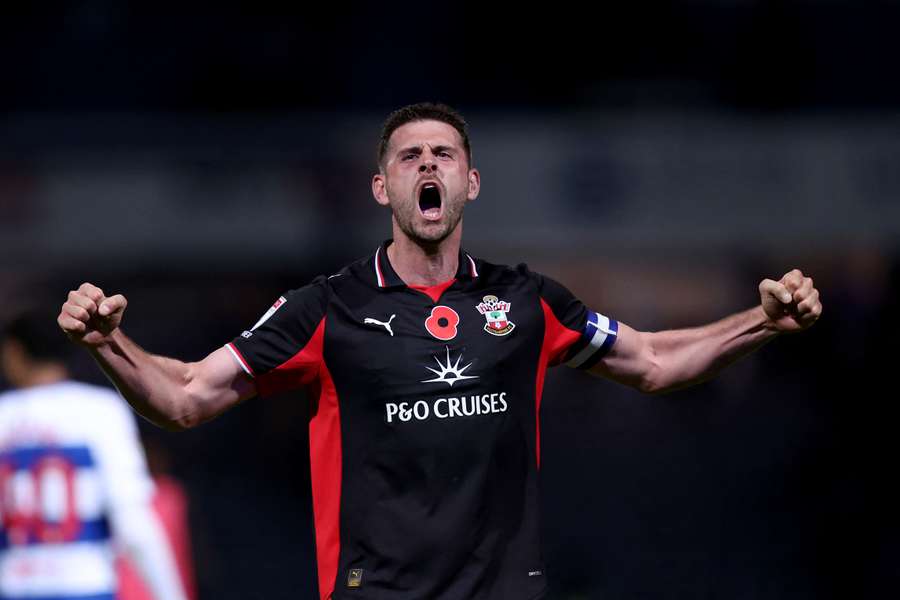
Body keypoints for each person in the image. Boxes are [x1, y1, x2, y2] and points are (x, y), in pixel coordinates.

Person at [57, 102, 823, 600]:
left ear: (472, 182)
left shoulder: (528, 303)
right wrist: (108, 342)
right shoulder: (326, 307)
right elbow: (186, 396)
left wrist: (761, 323)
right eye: (409, 156)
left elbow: (653, 360)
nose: (428, 165)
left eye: (444, 155)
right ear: (381, 187)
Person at [0, 309, 188, 600]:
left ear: (13, 351)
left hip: (14, 587)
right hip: (86, 587)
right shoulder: (100, 410)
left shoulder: (3, 416)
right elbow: (131, 520)